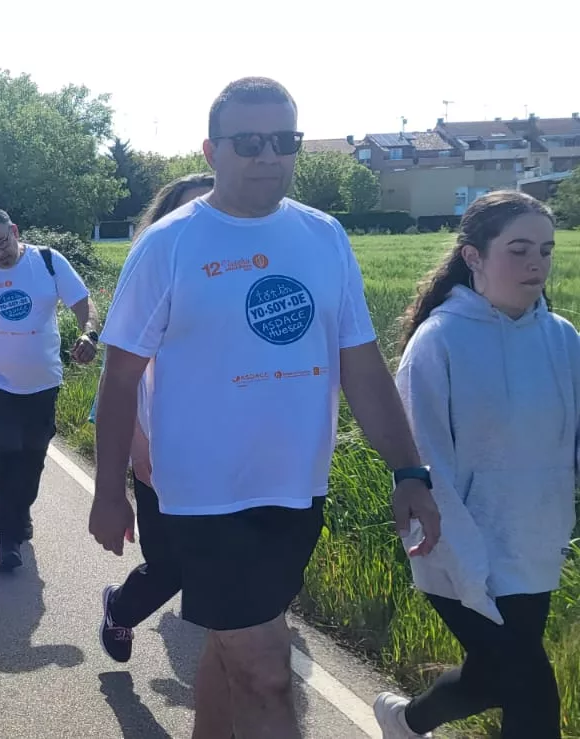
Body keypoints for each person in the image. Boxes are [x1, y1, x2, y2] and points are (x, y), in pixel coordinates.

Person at [91, 77, 442, 739]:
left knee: (233, 653)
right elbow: (119, 376)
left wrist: (408, 469)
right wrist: (110, 489)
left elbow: (361, 363)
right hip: (202, 494)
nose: (268, 154)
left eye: (284, 140)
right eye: (248, 141)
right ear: (212, 149)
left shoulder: (323, 235)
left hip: (295, 486)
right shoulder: (169, 244)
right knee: (268, 670)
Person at [373, 191, 570, 739]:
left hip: (533, 547)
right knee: (533, 695)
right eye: (520, 249)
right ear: (473, 257)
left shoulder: (563, 341)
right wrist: (465, 562)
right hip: (457, 548)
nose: (537, 263)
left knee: (494, 679)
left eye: (547, 251)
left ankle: (405, 720)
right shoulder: (439, 342)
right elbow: (423, 461)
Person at [92, 173, 213, 664]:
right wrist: (135, 450)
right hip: (160, 448)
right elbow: (120, 378)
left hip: (226, 454)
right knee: (169, 567)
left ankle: (230, 671)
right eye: (188, 211)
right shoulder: (151, 276)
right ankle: (120, 610)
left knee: (216, 570)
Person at [0, 207, 97, 572]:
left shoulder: (47, 261)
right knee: (3, 456)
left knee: (32, 457)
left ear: (14, 231)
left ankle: (21, 510)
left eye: (2, 242)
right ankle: (7, 536)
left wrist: (88, 332)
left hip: (43, 381)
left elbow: (84, 304)